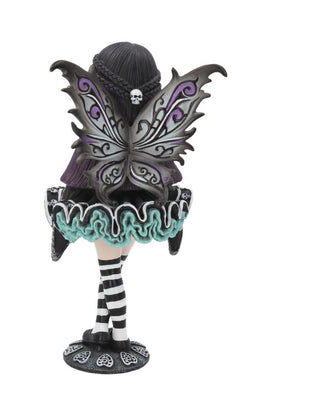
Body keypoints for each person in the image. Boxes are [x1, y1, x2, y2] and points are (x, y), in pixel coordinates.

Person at [46, 41, 226, 357]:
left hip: (102, 213)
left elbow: (77, 176)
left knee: (111, 275)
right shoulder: (153, 140)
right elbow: (168, 175)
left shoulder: (95, 143)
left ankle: (121, 337)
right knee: (111, 273)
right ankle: (101, 329)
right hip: (143, 210)